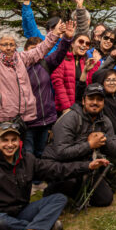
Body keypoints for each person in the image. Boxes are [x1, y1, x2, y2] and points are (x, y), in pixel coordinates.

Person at [0, 4, 63, 132]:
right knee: (4, 149)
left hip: (20, 116)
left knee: (20, 150)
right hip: (0, 116)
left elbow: (40, 50)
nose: (9, 47)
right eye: (4, 44)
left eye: (12, 44)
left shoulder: (20, 58)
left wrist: (54, 34)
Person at [43, 83, 116, 208]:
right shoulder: (70, 118)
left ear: (103, 102)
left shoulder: (105, 121)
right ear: (83, 101)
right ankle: (52, 191)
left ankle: (77, 189)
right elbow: (61, 152)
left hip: (84, 166)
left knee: (105, 199)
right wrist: (89, 145)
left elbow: (115, 149)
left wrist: (103, 140)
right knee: (69, 183)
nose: (95, 102)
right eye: (91, 99)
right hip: (58, 164)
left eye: (99, 99)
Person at [22, 19, 75, 159]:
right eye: (32, 49)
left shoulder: (45, 64)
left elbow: (60, 53)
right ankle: (27, 179)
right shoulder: (18, 68)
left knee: (42, 152)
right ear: (25, 51)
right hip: (26, 120)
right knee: (27, 153)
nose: (35, 52)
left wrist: (67, 38)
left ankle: (39, 180)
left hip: (45, 118)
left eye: (39, 48)